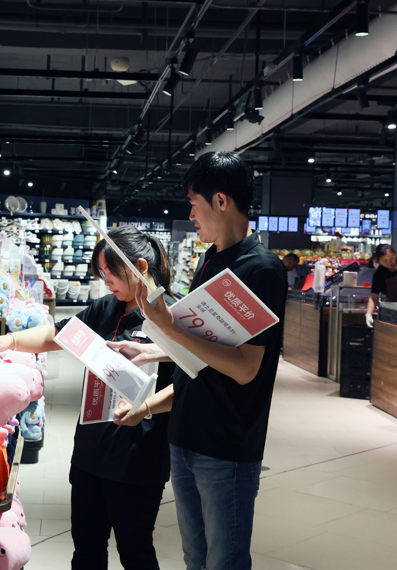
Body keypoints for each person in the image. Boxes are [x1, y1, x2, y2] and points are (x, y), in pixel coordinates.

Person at [110, 151, 287, 570]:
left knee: (224, 560)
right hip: (185, 433)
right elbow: (204, 350)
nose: (190, 214)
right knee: (195, 556)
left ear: (221, 201)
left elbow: (245, 368)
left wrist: (168, 329)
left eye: (194, 203)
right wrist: (156, 350)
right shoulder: (210, 260)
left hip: (226, 445)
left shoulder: (261, 269)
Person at [0, 226, 176, 570]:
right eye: (100, 271)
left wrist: (145, 407)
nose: (105, 280)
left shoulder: (170, 317)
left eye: (110, 271)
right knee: (86, 549)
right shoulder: (105, 308)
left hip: (139, 458)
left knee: (135, 551)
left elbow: (187, 387)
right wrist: (11, 341)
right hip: (91, 452)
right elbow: (58, 335)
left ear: (140, 267)